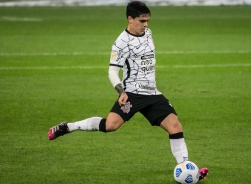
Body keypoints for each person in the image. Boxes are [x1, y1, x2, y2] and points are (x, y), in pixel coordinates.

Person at [48, 0, 208, 181]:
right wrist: (121, 91)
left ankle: (186, 168)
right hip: (132, 93)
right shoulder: (120, 43)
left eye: (147, 21)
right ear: (130, 19)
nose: (146, 25)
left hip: (152, 93)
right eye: (142, 21)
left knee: (175, 126)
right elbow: (112, 71)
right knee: (111, 126)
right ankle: (68, 127)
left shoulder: (148, 33)